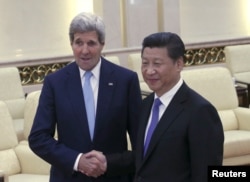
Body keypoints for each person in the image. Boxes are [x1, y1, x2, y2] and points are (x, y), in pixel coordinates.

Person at [28, 12, 142, 182]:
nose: (84, 50)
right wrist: (77, 161)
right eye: (78, 43)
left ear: (102, 44)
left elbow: (141, 142)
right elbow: (38, 138)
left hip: (114, 177)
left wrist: (108, 163)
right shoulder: (55, 83)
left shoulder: (126, 80)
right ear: (71, 44)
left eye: (91, 43)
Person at [133, 32, 224, 182]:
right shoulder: (146, 104)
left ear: (179, 64)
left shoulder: (200, 111)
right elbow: (145, 160)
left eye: (157, 63)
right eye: (144, 63)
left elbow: (205, 172)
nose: (149, 71)